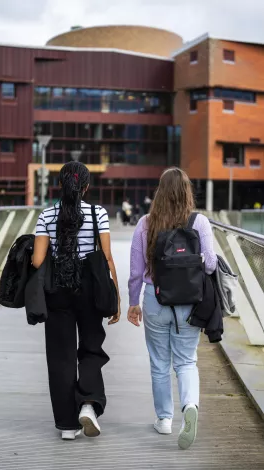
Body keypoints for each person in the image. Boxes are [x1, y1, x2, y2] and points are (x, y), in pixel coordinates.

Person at [127, 168, 217, 450]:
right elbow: (211, 265)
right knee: (186, 361)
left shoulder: (145, 223)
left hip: (156, 299)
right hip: (189, 302)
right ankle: (189, 405)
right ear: (187, 191)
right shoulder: (199, 222)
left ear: (160, 192)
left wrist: (132, 303)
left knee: (159, 363)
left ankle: (164, 419)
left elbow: (136, 271)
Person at [33, 161, 120, 441]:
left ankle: (67, 425)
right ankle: (88, 403)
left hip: (57, 289)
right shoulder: (98, 213)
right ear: (86, 186)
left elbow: (37, 261)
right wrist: (115, 297)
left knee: (61, 356)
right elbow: (107, 258)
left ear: (60, 184)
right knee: (92, 348)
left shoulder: (46, 215)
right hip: (91, 289)